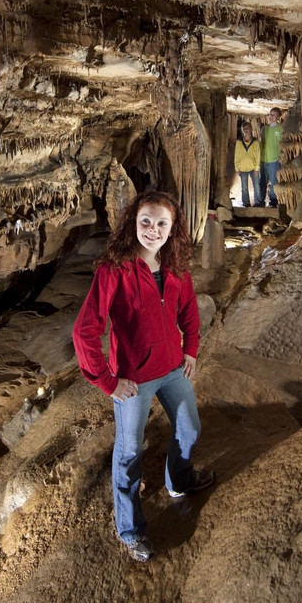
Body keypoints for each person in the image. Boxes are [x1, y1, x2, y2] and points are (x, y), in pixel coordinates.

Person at [72, 190, 214, 563]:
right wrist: (107, 381)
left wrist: (191, 349)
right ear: (133, 224)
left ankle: (179, 481)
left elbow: (189, 311)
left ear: (172, 228)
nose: (152, 230)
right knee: (129, 452)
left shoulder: (175, 266)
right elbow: (84, 331)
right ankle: (130, 528)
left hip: (171, 368)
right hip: (133, 378)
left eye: (161, 223)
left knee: (190, 428)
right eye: (145, 222)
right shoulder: (114, 270)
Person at [259, 107, 283, 207]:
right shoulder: (264, 129)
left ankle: (273, 201)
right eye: (270, 114)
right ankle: (260, 200)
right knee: (262, 181)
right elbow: (261, 143)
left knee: (273, 182)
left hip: (274, 160)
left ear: (278, 117)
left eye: (274, 115)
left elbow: (282, 144)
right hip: (264, 159)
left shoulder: (280, 128)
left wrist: (281, 157)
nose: (271, 117)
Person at [233, 122, 261, 207]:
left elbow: (258, 155)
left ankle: (258, 203)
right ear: (242, 130)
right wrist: (237, 168)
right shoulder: (239, 142)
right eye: (244, 128)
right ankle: (246, 203)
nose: (246, 130)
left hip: (253, 168)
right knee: (244, 188)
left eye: (247, 128)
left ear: (251, 129)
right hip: (242, 168)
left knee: (256, 186)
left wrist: (257, 168)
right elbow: (236, 155)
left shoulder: (255, 142)